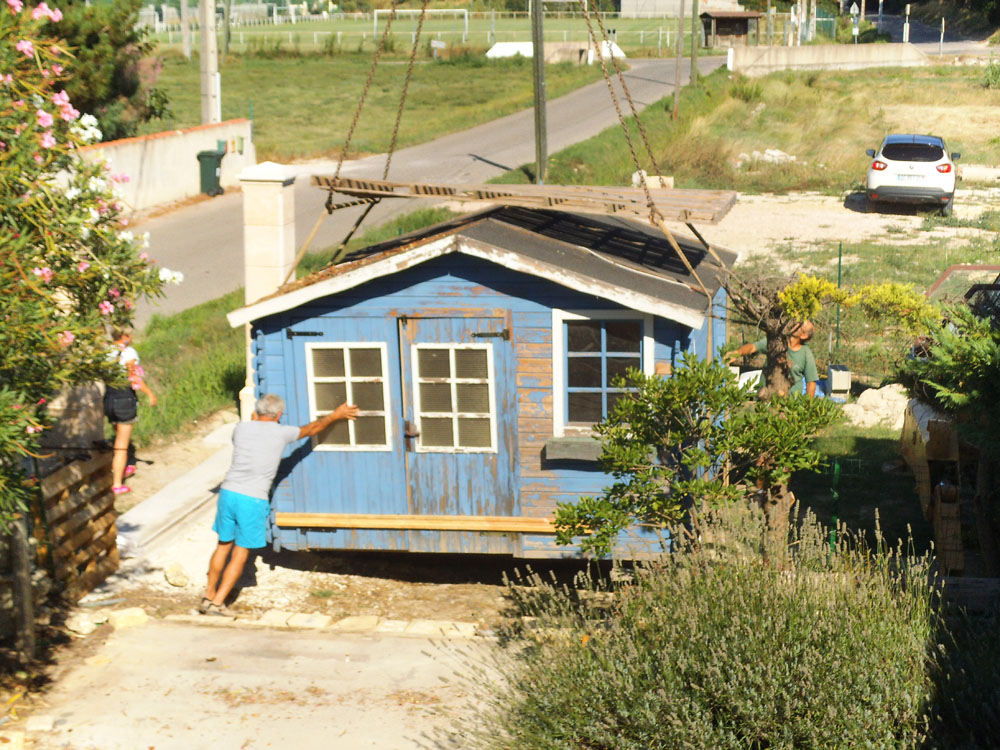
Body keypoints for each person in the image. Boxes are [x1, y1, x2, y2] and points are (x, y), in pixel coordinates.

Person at [200, 393, 359, 617]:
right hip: (252, 498)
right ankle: (218, 603)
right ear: (280, 414)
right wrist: (336, 415)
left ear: (257, 412)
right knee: (240, 552)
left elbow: (254, 433)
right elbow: (312, 429)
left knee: (223, 545)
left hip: (228, 493)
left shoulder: (241, 429)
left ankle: (208, 597)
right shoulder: (282, 433)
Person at [104, 326, 157, 495]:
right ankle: (117, 484)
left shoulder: (107, 351)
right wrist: (150, 394)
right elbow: (133, 377)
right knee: (121, 445)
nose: (132, 336)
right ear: (125, 336)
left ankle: (125, 465)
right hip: (124, 400)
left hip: (109, 399)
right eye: (131, 333)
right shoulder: (128, 352)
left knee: (118, 436)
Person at [725, 320, 823, 397]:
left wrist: (806, 409)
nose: (796, 324)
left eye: (800, 325)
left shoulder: (806, 354)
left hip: (791, 405)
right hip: (766, 397)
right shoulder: (776, 342)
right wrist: (738, 353)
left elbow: (811, 383)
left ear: (804, 335)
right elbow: (752, 347)